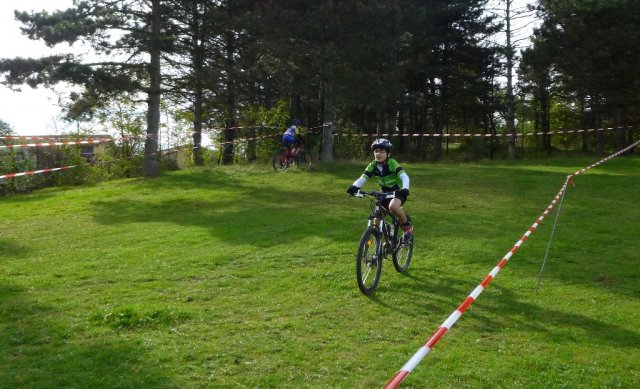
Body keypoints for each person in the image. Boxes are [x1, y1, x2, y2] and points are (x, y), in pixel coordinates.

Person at [346, 138, 413, 241]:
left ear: (388, 154)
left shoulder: (392, 163)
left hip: (398, 191)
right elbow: (363, 178)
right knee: (377, 217)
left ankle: (407, 226)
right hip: (384, 193)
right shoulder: (373, 165)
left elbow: (404, 176)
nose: (378, 154)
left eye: (382, 151)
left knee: (393, 207)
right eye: (376, 151)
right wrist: (354, 187)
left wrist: (405, 188)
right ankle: (377, 249)